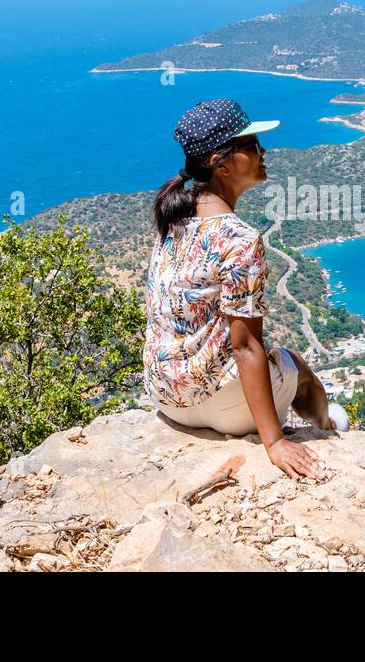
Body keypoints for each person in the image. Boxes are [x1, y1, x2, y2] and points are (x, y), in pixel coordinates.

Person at [143, 99, 337, 479]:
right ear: (221, 162)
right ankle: (328, 429)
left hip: (166, 396)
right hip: (220, 407)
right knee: (296, 366)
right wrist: (275, 441)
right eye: (251, 145)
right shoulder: (240, 239)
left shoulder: (173, 222)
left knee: (279, 359)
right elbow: (245, 345)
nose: (263, 152)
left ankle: (325, 426)